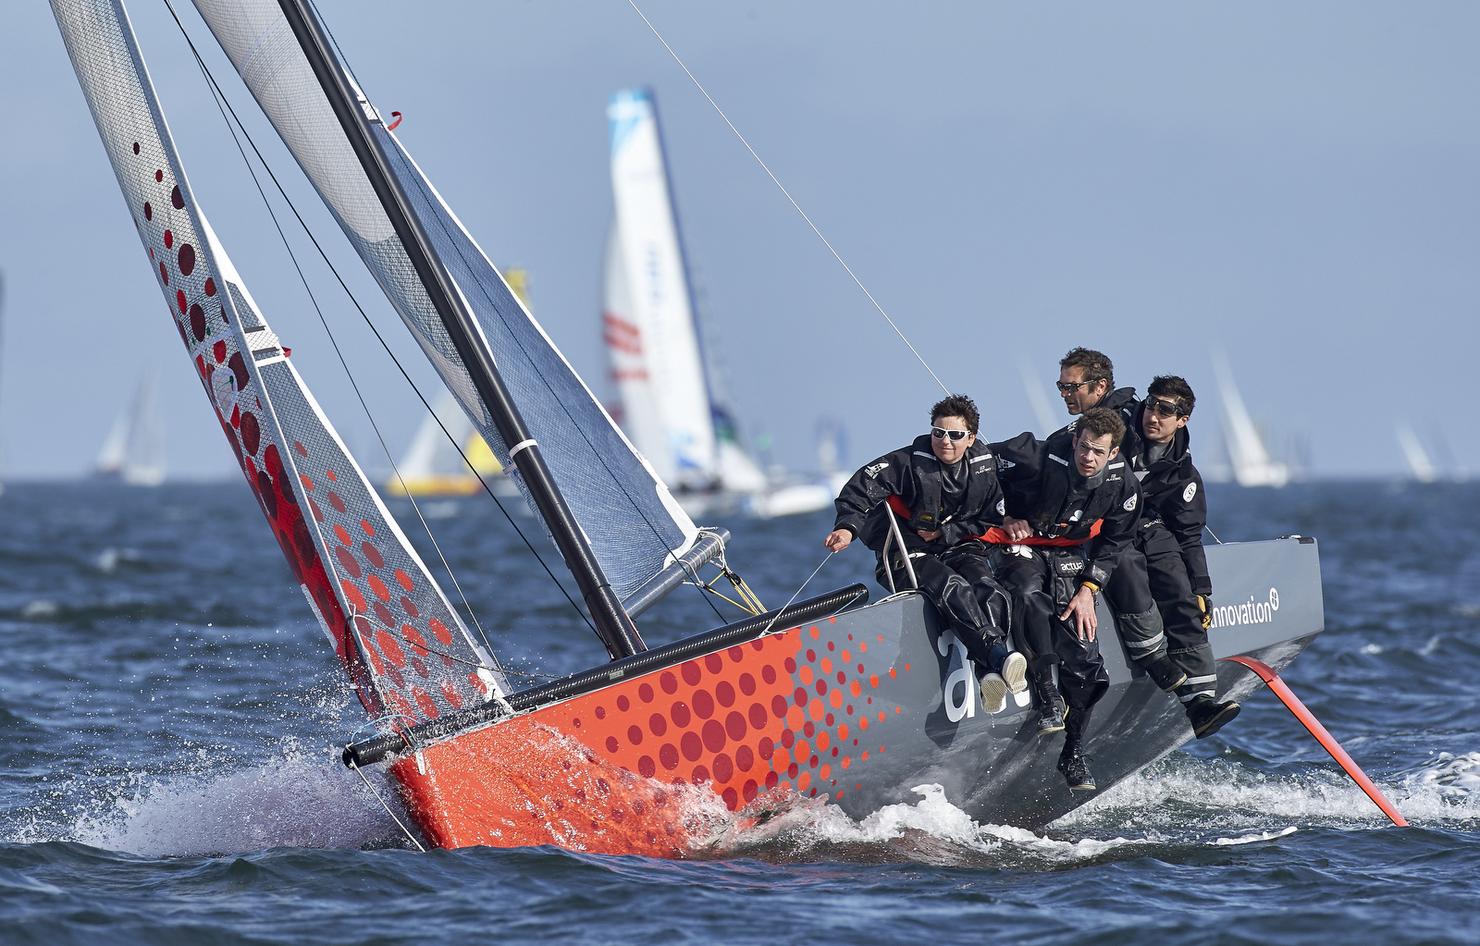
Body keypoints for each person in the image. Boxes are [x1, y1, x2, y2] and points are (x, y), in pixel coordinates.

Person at [824, 394, 1026, 712]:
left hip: (957, 545)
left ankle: (989, 675)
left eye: (955, 435)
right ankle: (998, 657)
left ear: (971, 438)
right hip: (907, 554)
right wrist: (847, 527)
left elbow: (989, 518)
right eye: (938, 432)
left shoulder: (983, 468)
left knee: (989, 591)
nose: (945, 441)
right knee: (953, 587)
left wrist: (947, 533)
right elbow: (861, 486)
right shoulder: (907, 463)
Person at [991, 407, 1141, 792]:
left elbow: (1117, 541)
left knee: (1090, 666)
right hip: (1019, 545)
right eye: (1084, 447)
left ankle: (1072, 754)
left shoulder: (1123, 485)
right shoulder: (1035, 455)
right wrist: (1003, 517)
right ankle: (1046, 694)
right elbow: (975, 469)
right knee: (1028, 595)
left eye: (1098, 452)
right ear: (1075, 441)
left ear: (1114, 454)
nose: (1087, 458)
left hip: (1069, 554)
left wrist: (1091, 589)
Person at [1126, 376, 1240, 738]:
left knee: (1177, 581)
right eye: (1150, 404)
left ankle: (1202, 702)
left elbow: (1190, 538)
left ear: (1183, 419)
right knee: (1130, 566)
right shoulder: (1117, 432)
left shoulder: (1184, 474)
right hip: (1100, 532)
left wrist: (1201, 589)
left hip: (1143, 536)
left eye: (1165, 410)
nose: (1152, 415)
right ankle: (1155, 658)